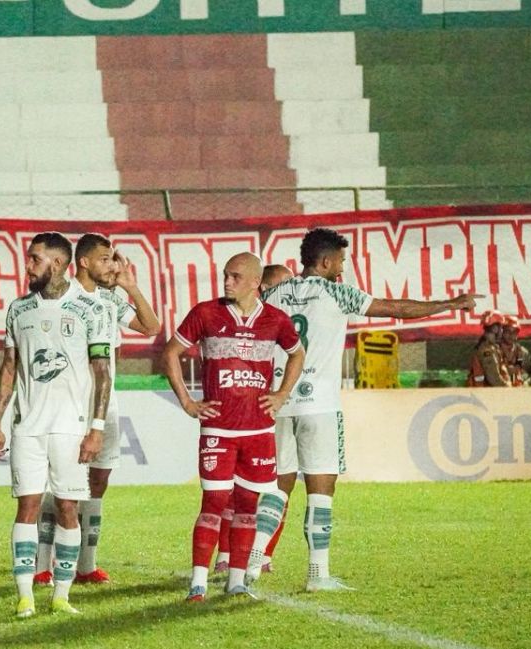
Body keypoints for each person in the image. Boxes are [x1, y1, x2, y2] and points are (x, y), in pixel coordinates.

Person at [262, 228, 479, 591]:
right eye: (341, 261)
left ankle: (249, 568)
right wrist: (450, 304)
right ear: (327, 261)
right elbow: (395, 309)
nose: (342, 268)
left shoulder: (273, 294)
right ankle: (318, 574)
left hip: (280, 401)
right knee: (319, 490)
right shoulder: (336, 292)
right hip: (319, 405)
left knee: (276, 488)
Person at [163, 253, 305, 602]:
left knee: (247, 505)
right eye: (226, 275)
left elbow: (298, 353)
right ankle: (197, 582)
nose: (227, 282)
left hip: (258, 432)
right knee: (213, 501)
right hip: (218, 430)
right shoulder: (205, 313)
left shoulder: (275, 320)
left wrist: (282, 394)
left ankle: (237, 581)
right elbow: (170, 354)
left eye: (235, 276)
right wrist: (187, 402)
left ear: (256, 283)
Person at [0, 232, 114, 618]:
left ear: (57, 264)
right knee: (26, 505)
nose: (28, 266)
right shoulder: (18, 310)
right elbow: (8, 367)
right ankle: (25, 595)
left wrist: (96, 428)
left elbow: (102, 374)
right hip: (27, 427)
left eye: (35, 259)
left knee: (67, 508)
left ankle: (62, 595)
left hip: (70, 428)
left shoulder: (89, 310)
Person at [32, 234, 161, 586]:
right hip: (68, 407)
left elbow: (152, 327)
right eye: (106, 259)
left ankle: (86, 565)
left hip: (106, 408)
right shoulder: (63, 297)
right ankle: (44, 563)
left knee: (98, 482)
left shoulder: (109, 299)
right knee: (58, 484)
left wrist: (131, 288)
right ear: (85, 262)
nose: (113, 265)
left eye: (114, 260)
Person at [467, 311, 511, 387]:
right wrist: (508, 388)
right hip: (487, 394)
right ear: (495, 328)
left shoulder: (490, 347)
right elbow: (494, 379)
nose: (502, 330)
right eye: (501, 327)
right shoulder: (487, 351)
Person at [500, 315, 531, 386]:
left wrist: (526, 383)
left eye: (514, 332)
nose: (511, 335)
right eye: (507, 331)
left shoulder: (522, 352)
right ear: (502, 332)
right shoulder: (495, 351)